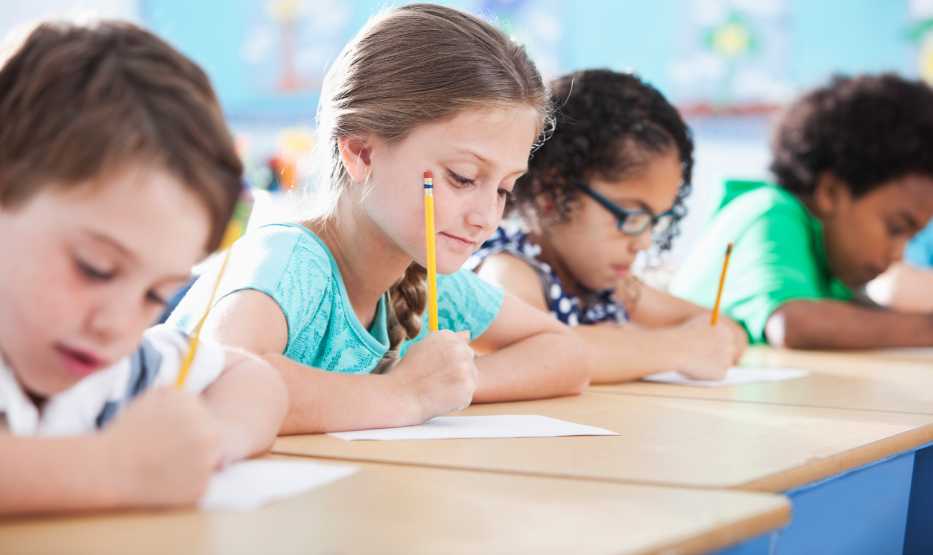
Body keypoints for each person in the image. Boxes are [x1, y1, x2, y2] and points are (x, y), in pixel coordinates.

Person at [169, 4, 591, 435]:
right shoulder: (286, 262)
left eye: (504, 189)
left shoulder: (423, 274)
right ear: (361, 152)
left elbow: (566, 353)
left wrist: (449, 382)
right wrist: (406, 394)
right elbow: (221, 384)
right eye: (463, 178)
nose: (487, 218)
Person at [0, 21, 287, 515]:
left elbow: (253, 378)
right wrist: (112, 468)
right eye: (95, 269)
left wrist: (205, 442)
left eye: (156, 296)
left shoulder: (110, 368)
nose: (118, 325)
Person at [469, 70, 746, 383]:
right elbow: (534, 354)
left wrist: (694, 343)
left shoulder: (609, 287)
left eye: (656, 221)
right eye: (631, 217)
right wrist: (677, 347)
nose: (643, 242)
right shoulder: (509, 268)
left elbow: (726, 331)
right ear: (554, 190)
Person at [670, 74, 933, 349]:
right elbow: (794, 325)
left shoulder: (827, 258)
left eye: (911, 237)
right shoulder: (772, 212)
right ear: (832, 192)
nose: (898, 254)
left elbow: (865, 317)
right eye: (896, 228)